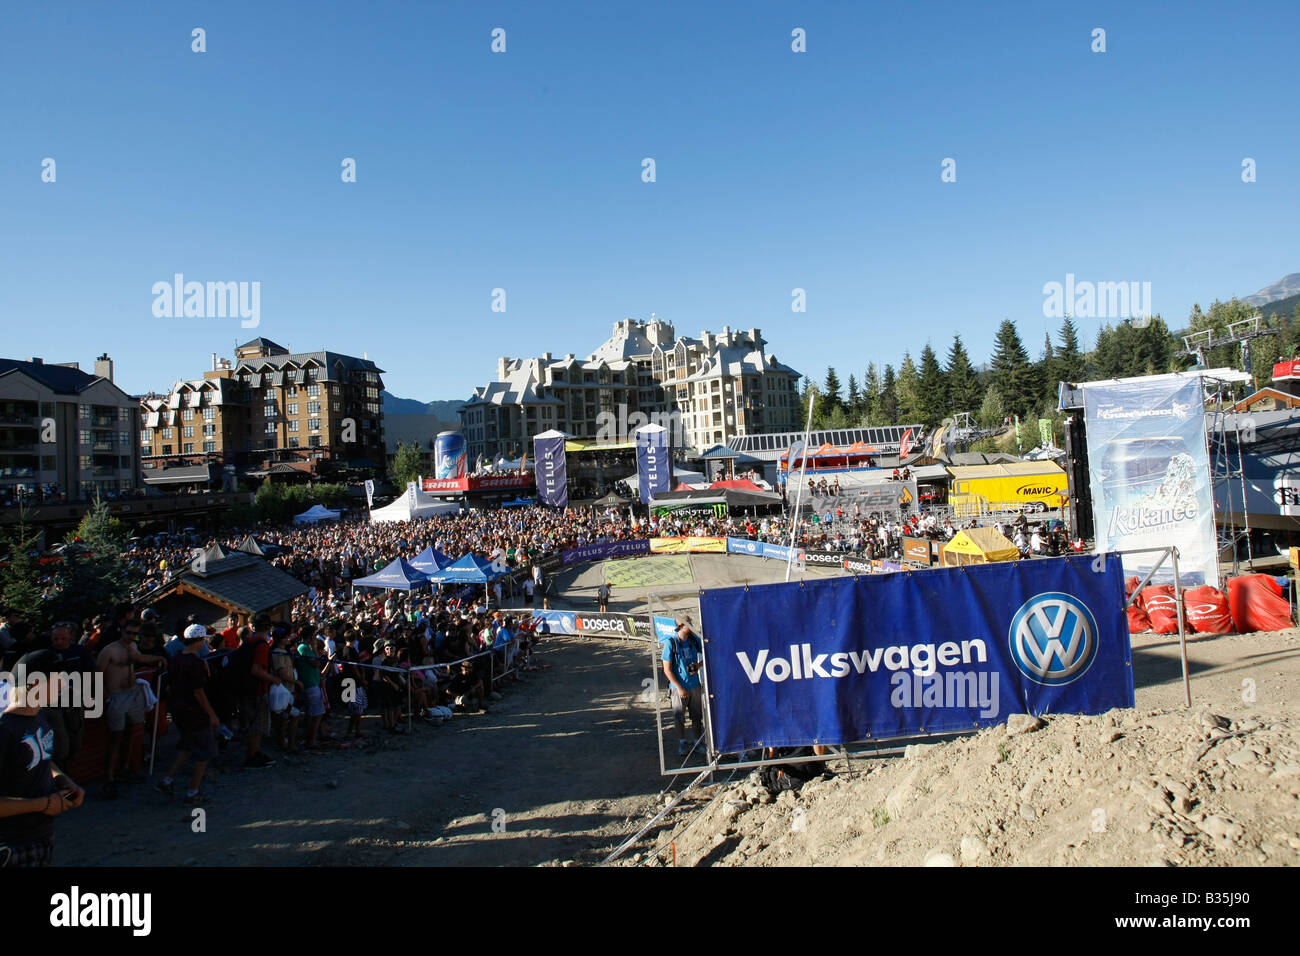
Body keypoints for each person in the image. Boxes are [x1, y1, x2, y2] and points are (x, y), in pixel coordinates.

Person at [0, 650, 86, 867]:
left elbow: (39, 757)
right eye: (59, 678)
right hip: (12, 845)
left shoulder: (39, 715)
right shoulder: (5, 730)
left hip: (41, 834)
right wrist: (44, 804)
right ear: (37, 682)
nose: (64, 684)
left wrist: (62, 779)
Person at [97, 613, 168, 799]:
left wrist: (158, 660)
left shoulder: (133, 646)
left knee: (132, 733)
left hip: (132, 694)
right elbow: (97, 674)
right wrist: (105, 697)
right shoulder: (110, 650)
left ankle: (126, 770)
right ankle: (110, 778)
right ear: (122, 631)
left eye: (134, 633)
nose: (131, 636)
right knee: (116, 737)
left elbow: (140, 658)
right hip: (116, 696)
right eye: (128, 632)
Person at [157, 625, 218, 805]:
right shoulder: (196, 663)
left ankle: (167, 780)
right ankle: (193, 792)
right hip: (195, 712)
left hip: (179, 710)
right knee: (205, 751)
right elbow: (199, 692)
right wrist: (212, 714)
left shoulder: (175, 659)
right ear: (199, 640)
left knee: (186, 746)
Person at [661, 621, 705, 756]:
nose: (691, 627)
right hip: (677, 687)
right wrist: (679, 687)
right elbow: (667, 669)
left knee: (697, 716)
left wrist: (698, 666)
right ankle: (682, 742)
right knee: (679, 717)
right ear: (680, 626)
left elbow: (709, 652)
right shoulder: (671, 643)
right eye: (688, 624)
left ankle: (698, 742)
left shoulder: (694, 640)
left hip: (695, 685)